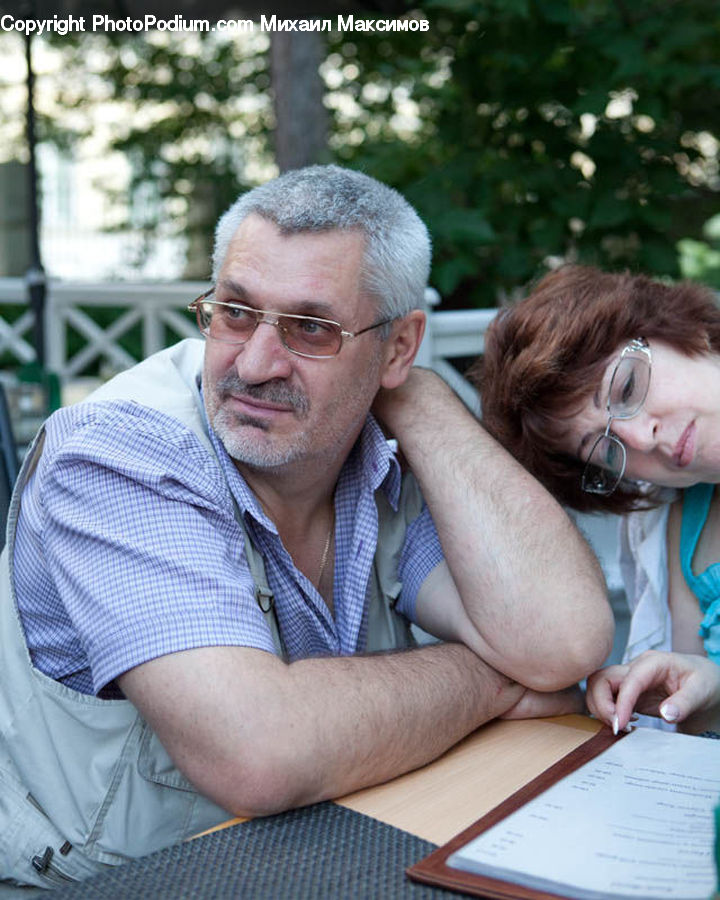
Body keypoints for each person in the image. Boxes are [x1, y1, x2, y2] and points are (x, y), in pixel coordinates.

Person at [0, 167, 611, 888]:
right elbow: (257, 754)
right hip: (110, 884)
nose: (254, 365)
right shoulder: (119, 455)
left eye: (312, 328)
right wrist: (493, 684)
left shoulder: (369, 444)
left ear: (397, 347)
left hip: (319, 852)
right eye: (234, 311)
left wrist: (422, 401)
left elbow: (562, 641)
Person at [479, 264, 720, 737]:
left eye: (627, 387)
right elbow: (703, 746)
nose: (641, 437)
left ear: (680, 329)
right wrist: (696, 688)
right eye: (610, 453)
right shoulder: (681, 529)